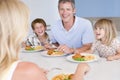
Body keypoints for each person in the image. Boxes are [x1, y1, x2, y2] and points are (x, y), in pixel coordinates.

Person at [0, 0, 90, 80]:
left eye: (68, 9)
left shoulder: (85, 24)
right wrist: (80, 70)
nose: (64, 12)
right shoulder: (28, 70)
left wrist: (34, 74)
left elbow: (88, 45)